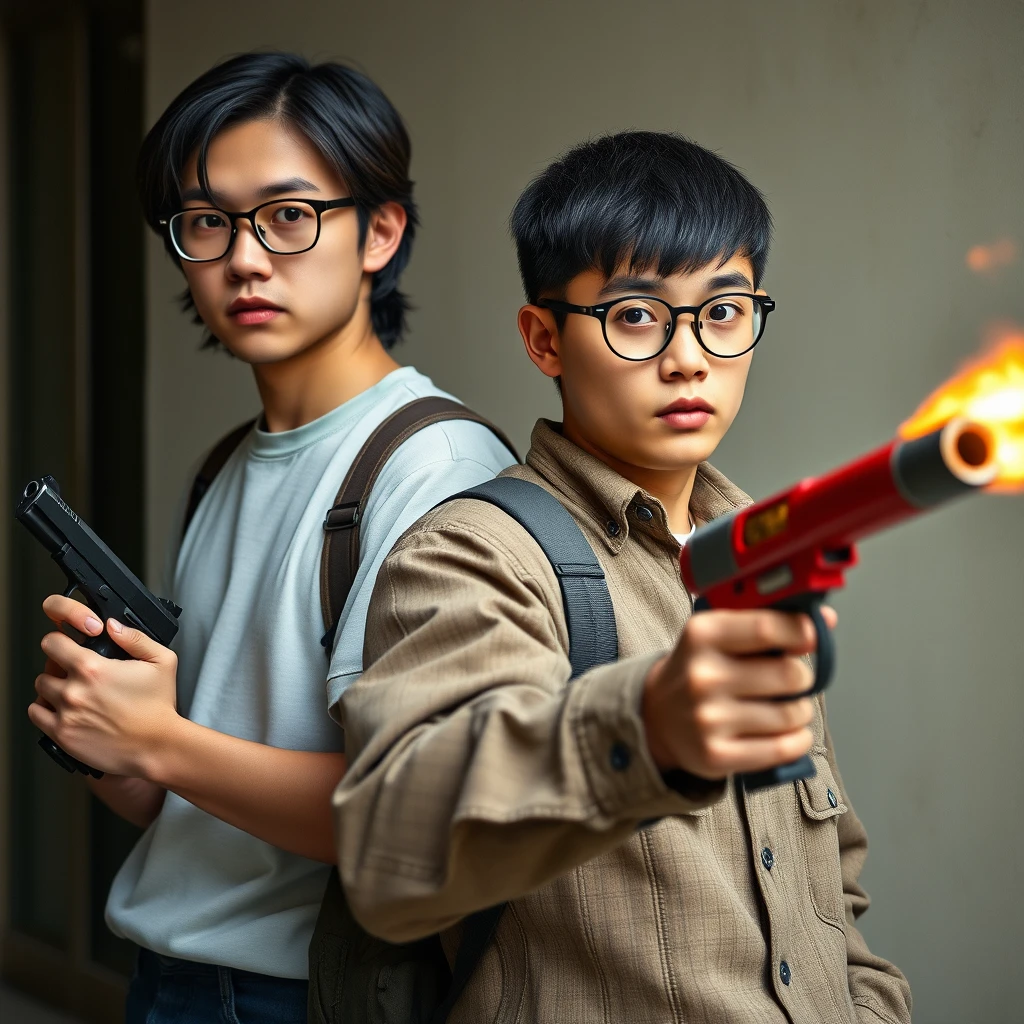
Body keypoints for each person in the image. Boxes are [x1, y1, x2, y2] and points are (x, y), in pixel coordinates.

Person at [331, 130, 913, 1023]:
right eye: (637, 315)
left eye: (724, 311)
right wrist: (650, 727)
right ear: (544, 338)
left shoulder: (760, 551)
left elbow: (831, 886)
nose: (689, 357)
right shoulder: (472, 554)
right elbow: (392, 856)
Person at [28, 52, 515, 1024]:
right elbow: (193, 807)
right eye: (206, 222)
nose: (244, 257)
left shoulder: (435, 464)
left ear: (381, 230)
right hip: (167, 978)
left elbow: (410, 814)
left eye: (289, 215)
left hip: (307, 995)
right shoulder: (224, 464)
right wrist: (114, 746)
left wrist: (162, 740)